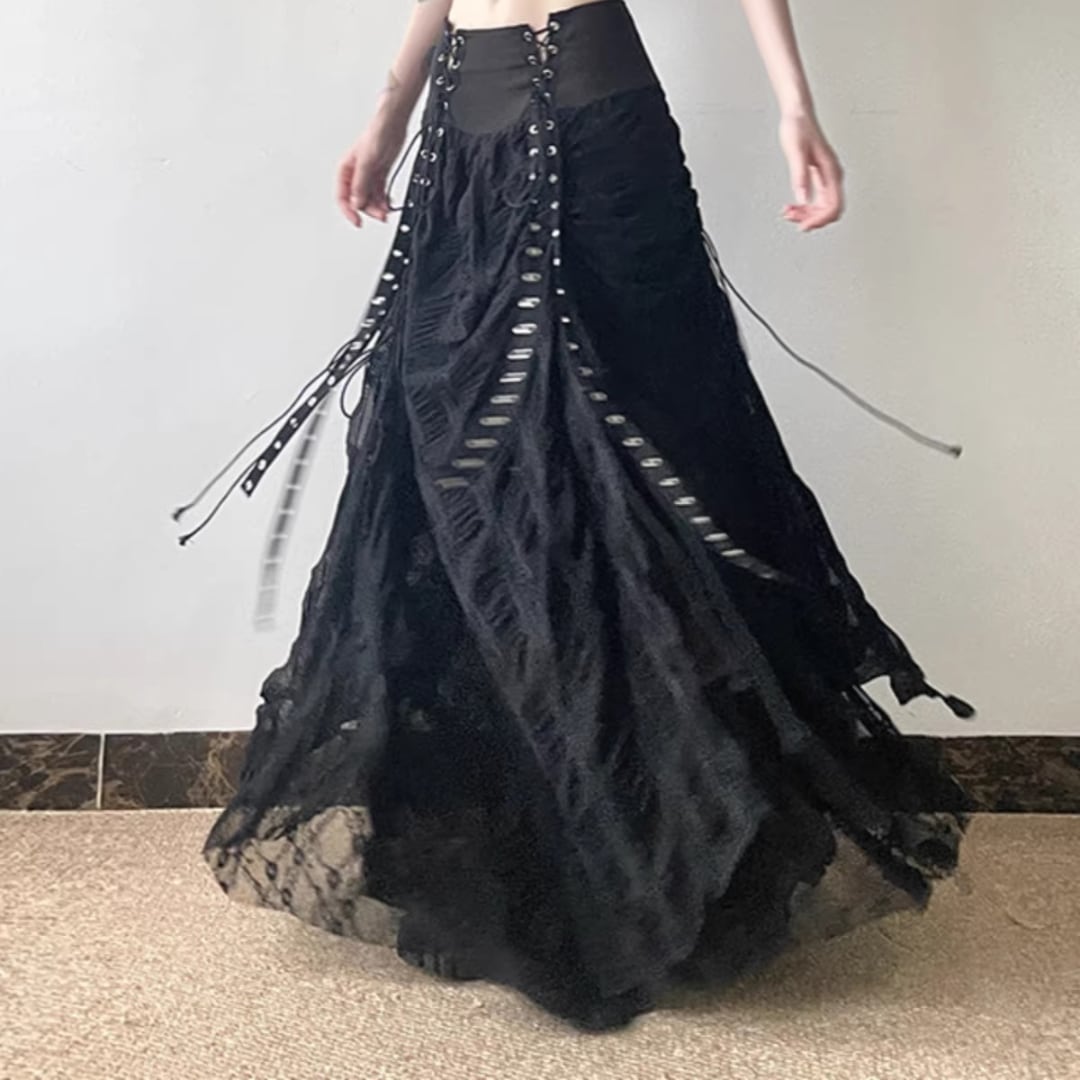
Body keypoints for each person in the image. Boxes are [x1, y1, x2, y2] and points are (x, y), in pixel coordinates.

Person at [190, 0, 975, 1032]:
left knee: (657, 461)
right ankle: (539, 834)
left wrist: (797, 107)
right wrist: (388, 112)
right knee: (458, 472)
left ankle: (680, 841)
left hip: (602, 121)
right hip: (462, 135)